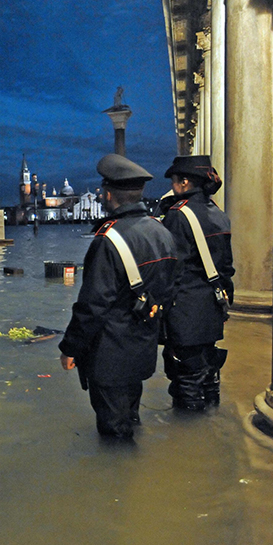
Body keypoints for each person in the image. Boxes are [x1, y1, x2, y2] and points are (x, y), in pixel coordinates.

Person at [59, 154, 177, 439]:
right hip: (143, 345)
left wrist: (70, 347)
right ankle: (135, 475)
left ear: (108, 194)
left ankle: (119, 476)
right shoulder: (161, 231)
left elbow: (92, 306)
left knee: (114, 431)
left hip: (110, 354)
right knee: (129, 416)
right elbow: (170, 285)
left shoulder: (108, 240)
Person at [160, 155, 234, 410]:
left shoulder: (178, 215)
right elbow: (227, 267)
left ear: (184, 182)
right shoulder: (219, 214)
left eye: (174, 181)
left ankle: (188, 437)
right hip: (212, 306)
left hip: (186, 310)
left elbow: (171, 270)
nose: (172, 187)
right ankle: (212, 426)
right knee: (208, 370)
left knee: (185, 378)